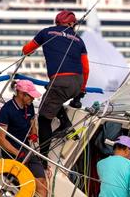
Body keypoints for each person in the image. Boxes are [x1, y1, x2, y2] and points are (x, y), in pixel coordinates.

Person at [22, 10, 89, 159]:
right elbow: (85, 68)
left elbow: (26, 50)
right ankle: (64, 122)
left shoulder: (46, 32)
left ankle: (43, 159)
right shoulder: (79, 40)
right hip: (77, 83)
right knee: (53, 96)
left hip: (60, 82)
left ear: (57, 22)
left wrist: (27, 51)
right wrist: (81, 90)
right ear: (71, 24)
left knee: (44, 118)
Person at [0, 79, 48, 197]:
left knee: (43, 182)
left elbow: (32, 123)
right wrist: (17, 153)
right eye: (30, 96)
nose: (33, 99)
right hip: (12, 153)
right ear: (21, 93)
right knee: (32, 183)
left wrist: (34, 133)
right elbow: (1, 139)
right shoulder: (6, 110)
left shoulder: (29, 106)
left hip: (26, 149)